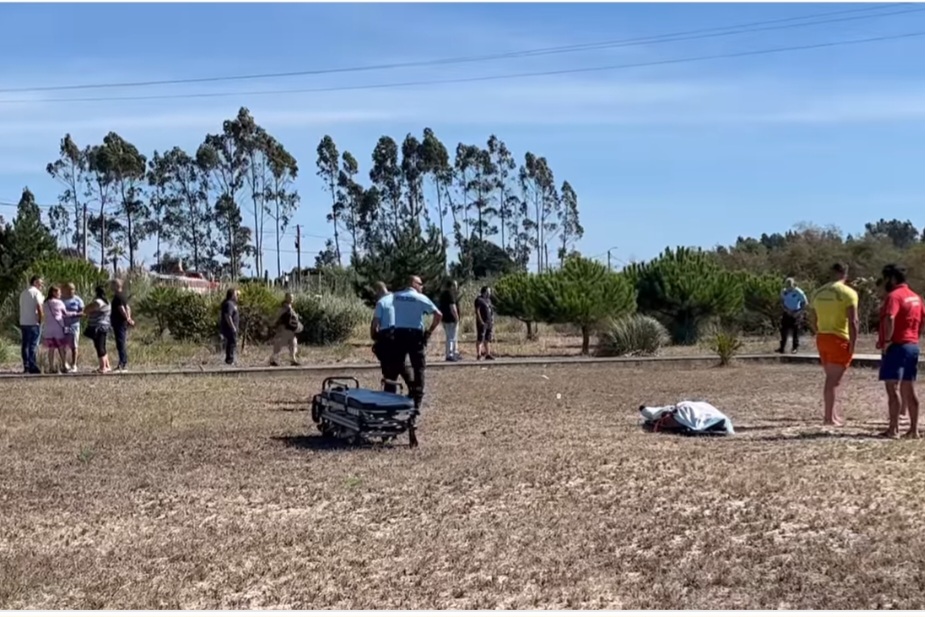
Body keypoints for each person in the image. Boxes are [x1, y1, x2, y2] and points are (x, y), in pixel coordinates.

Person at [373, 274, 442, 414]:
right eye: (420, 284)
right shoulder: (420, 298)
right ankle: (416, 401)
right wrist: (429, 331)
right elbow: (438, 315)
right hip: (415, 335)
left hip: (398, 334)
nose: (422, 287)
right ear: (414, 284)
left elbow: (386, 310)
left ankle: (389, 399)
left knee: (394, 367)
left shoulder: (395, 297)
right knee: (419, 368)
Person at [876, 264, 924, 439]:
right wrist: (915, 336)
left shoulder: (894, 296)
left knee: (892, 387)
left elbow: (890, 317)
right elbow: (922, 320)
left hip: (896, 345)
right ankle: (914, 429)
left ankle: (893, 429)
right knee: (909, 387)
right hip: (912, 345)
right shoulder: (916, 297)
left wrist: (887, 341)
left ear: (892, 279)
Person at [810, 262, 859, 427]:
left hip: (822, 337)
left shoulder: (818, 292)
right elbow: (854, 321)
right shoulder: (848, 293)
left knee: (831, 378)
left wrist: (818, 331)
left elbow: (812, 318)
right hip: (839, 338)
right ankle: (828, 418)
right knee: (833, 381)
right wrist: (853, 342)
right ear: (845, 273)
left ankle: (833, 414)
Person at [42, 286, 81, 374]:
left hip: (48, 328)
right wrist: (77, 313)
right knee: (60, 347)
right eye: (58, 292)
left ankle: (51, 367)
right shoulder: (59, 302)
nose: (60, 294)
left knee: (51, 348)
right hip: (58, 327)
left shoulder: (45, 303)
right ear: (54, 293)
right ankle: (64, 365)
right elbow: (65, 313)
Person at [19, 275, 44, 374]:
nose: (41, 285)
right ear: (35, 282)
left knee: (25, 344)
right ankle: (32, 365)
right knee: (33, 345)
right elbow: (39, 306)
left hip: (24, 321)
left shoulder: (23, 293)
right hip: (33, 322)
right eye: (40, 283)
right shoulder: (37, 293)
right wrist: (41, 319)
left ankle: (26, 365)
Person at [83, 285, 112, 374]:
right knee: (102, 345)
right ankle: (107, 365)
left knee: (99, 346)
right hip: (104, 325)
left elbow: (87, 309)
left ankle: (102, 367)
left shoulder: (98, 302)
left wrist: (87, 308)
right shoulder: (107, 301)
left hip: (98, 326)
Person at [269, 292, 301, 367]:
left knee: (293, 343)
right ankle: (272, 359)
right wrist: (273, 324)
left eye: (292, 297)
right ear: (286, 298)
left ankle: (293, 359)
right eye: (290, 297)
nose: (291, 299)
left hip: (291, 330)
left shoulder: (291, 308)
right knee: (279, 345)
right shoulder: (283, 308)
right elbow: (276, 316)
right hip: (284, 329)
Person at [109, 279, 134, 372]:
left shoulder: (117, 297)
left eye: (112, 285)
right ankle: (122, 362)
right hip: (121, 322)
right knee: (121, 342)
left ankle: (123, 363)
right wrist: (129, 317)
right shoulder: (123, 296)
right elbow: (128, 307)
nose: (110, 287)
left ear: (116, 286)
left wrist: (127, 318)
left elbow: (122, 308)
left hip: (119, 323)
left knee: (120, 343)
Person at [778, 277, 807, 354]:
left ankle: (795, 348)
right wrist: (786, 310)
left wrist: (799, 312)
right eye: (787, 283)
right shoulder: (784, 291)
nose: (788, 285)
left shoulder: (798, 292)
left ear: (793, 284)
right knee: (784, 330)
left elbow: (804, 302)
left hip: (796, 313)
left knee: (795, 331)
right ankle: (782, 348)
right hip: (787, 312)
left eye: (790, 283)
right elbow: (781, 301)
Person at [61, 282, 85, 373]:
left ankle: (74, 365)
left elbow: (82, 312)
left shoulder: (78, 300)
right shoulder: (61, 300)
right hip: (63, 325)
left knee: (74, 346)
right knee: (63, 346)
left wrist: (73, 314)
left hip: (74, 325)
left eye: (73, 289)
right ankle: (64, 364)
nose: (71, 291)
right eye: (69, 289)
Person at [438, 279, 461, 361]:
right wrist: (456, 317)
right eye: (454, 285)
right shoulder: (450, 294)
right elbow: (453, 307)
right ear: (451, 286)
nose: (456, 287)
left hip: (445, 318)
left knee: (452, 336)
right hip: (451, 319)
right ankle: (450, 354)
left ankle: (455, 352)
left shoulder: (443, 294)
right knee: (451, 337)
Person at [219, 288, 240, 365]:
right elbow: (228, 316)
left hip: (231, 329)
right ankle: (229, 360)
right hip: (229, 329)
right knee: (231, 344)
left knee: (232, 344)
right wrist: (233, 327)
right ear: (232, 295)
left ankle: (230, 359)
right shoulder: (229, 304)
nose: (237, 295)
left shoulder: (232, 303)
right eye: (235, 294)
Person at [474, 286, 495, 360]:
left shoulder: (488, 300)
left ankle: (487, 354)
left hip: (489, 322)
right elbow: (477, 311)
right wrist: (480, 321)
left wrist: (492, 320)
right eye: (488, 291)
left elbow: (491, 311)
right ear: (485, 291)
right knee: (480, 338)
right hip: (482, 322)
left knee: (488, 338)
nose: (489, 293)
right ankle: (479, 354)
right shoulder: (479, 300)